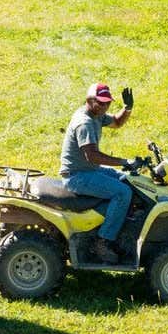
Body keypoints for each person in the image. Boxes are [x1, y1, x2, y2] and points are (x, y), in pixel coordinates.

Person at [59, 83, 137, 263]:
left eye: (108, 103)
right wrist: (124, 162)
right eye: (101, 103)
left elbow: (117, 122)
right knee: (122, 192)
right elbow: (92, 156)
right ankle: (103, 242)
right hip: (77, 176)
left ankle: (122, 224)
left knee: (128, 181)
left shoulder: (97, 115)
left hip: (89, 170)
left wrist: (127, 108)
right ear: (90, 100)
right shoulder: (84, 123)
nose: (105, 106)